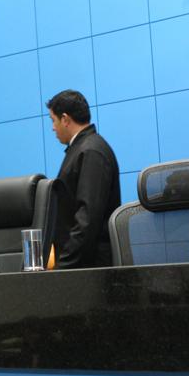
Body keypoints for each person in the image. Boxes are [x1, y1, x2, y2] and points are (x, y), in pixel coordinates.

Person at [48, 90, 120, 268]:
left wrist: (63, 265)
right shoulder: (82, 148)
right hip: (81, 263)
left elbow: (87, 219)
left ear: (65, 119)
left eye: (53, 120)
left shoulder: (91, 151)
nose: (52, 128)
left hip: (89, 268)